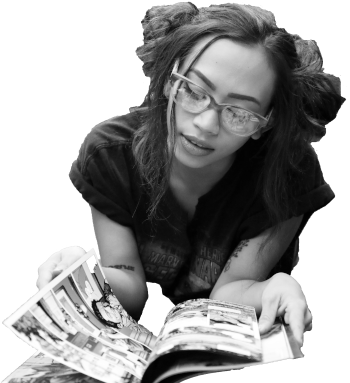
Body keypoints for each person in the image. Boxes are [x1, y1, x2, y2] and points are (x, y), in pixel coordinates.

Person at [36, 2, 343, 347]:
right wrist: (83, 276)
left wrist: (277, 286)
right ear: (169, 80)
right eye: (195, 92)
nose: (205, 125)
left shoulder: (289, 174)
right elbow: (128, 285)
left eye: (239, 113)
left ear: (265, 123)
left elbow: (229, 293)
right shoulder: (111, 155)